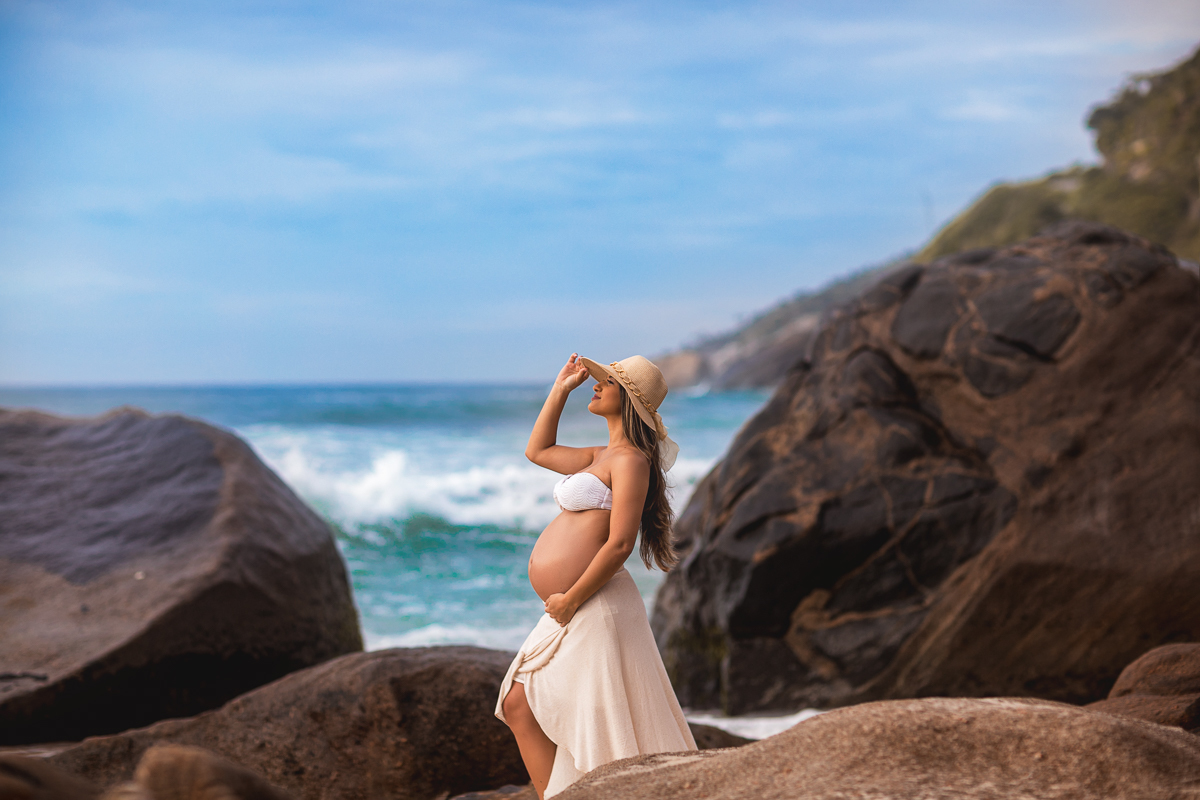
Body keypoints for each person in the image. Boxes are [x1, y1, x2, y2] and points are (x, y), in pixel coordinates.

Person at [495, 353, 697, 799]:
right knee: (518, 705)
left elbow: (621, 543)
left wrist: (570, 599)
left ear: (629, 400)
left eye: (608, 382)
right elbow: (538, 451)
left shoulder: (630, 462)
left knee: (593, 722)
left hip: (594, 602)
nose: (597, 385)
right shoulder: (601, 455)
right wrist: (559, 390)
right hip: (573, 605)